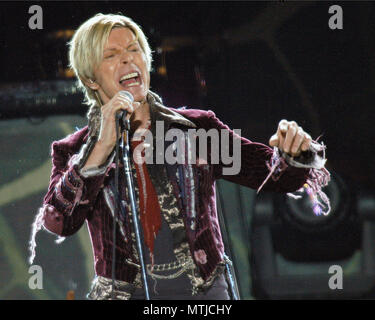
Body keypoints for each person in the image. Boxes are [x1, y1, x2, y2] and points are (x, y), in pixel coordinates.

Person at [29, 13, 330, 300]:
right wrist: (100, 150)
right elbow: (59, 222)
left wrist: (294, 154)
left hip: (203, 292)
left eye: (134, 49)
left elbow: (271, 174)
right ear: (91, 78)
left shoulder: (196, 130)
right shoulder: (72, 150)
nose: (127, 58)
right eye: (111, 55)